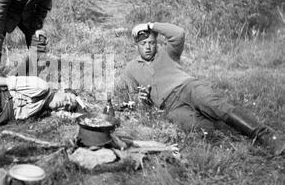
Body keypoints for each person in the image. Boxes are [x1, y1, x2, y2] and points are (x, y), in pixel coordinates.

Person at [120, 22, 284, 156]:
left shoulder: (167, 53)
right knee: (202, 129)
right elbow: (130, 100)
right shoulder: (130, 69)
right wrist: (141, 101)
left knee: (217, 106)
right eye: (143, 44)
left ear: (156, 43)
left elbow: (178, 33)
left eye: (151, 43)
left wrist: (151, 25)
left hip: (189, 87)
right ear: (136, 45)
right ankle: (236, 135)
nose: (148, 47)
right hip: (170, 107)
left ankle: (267, 136)